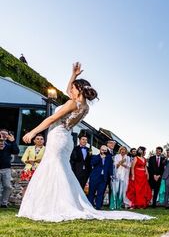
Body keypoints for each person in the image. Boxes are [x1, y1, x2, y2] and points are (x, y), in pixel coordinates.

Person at [18, 62, 152, 221]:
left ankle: (56, 205)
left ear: (79, 90)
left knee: (54, 168)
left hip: (58, 135)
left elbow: (53, 118)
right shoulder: (84, 106)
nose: (70, 90)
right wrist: (74, 76)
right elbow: (69, 92)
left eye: (74, 88)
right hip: (66, 138)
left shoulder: (72, 103)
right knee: (60, 169)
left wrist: (33, 131)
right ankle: (58, 203)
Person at [87, 145, 113, 209]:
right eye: (102, 150)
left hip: (103, 178)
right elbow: (92, 163)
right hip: (94, 177)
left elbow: (110, 167)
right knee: (91, 192)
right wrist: (100, 157)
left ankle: (98, 206)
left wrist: (111, 175)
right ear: (100, 149)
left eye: (105, 150)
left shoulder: (109, 158)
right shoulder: (95, 156)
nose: (103, 151)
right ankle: (90, 206)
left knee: (101, 192)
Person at [0, 129, 19, 208]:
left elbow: (16, 151)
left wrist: (13, 142)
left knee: (7, 186)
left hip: (6, 169)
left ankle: (4, 203)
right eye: (2, 134)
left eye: (5, 134)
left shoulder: (9, 144)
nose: (4, 135)